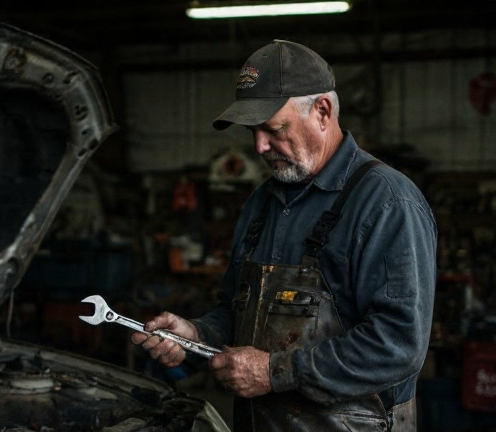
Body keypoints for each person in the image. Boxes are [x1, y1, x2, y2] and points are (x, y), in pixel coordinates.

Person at [131, 39, 436, 432]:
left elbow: (397, 346)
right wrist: (196, 334)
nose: (259, 146)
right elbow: (236, 310)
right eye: (253, 132)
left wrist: (274, 372)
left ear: (323, 112)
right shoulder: (262, 203)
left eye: (274, 129)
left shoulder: (387, 204)